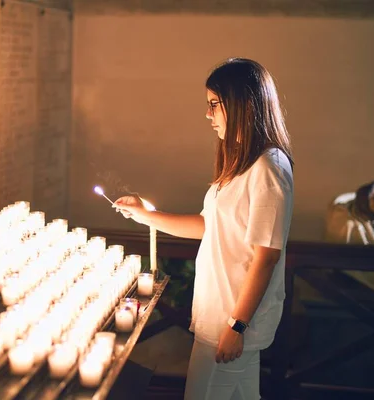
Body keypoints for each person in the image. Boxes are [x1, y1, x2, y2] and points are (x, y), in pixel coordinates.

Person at [113, 58, 294, 400]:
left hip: (231, 320)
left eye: (214, 105)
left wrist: (236, 326)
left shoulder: (268, 168)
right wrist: (144, 215)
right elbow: (209, 227)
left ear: (244, 104)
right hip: (220, 317)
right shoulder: (243, 163)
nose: (208, 115)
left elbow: (266, 256)